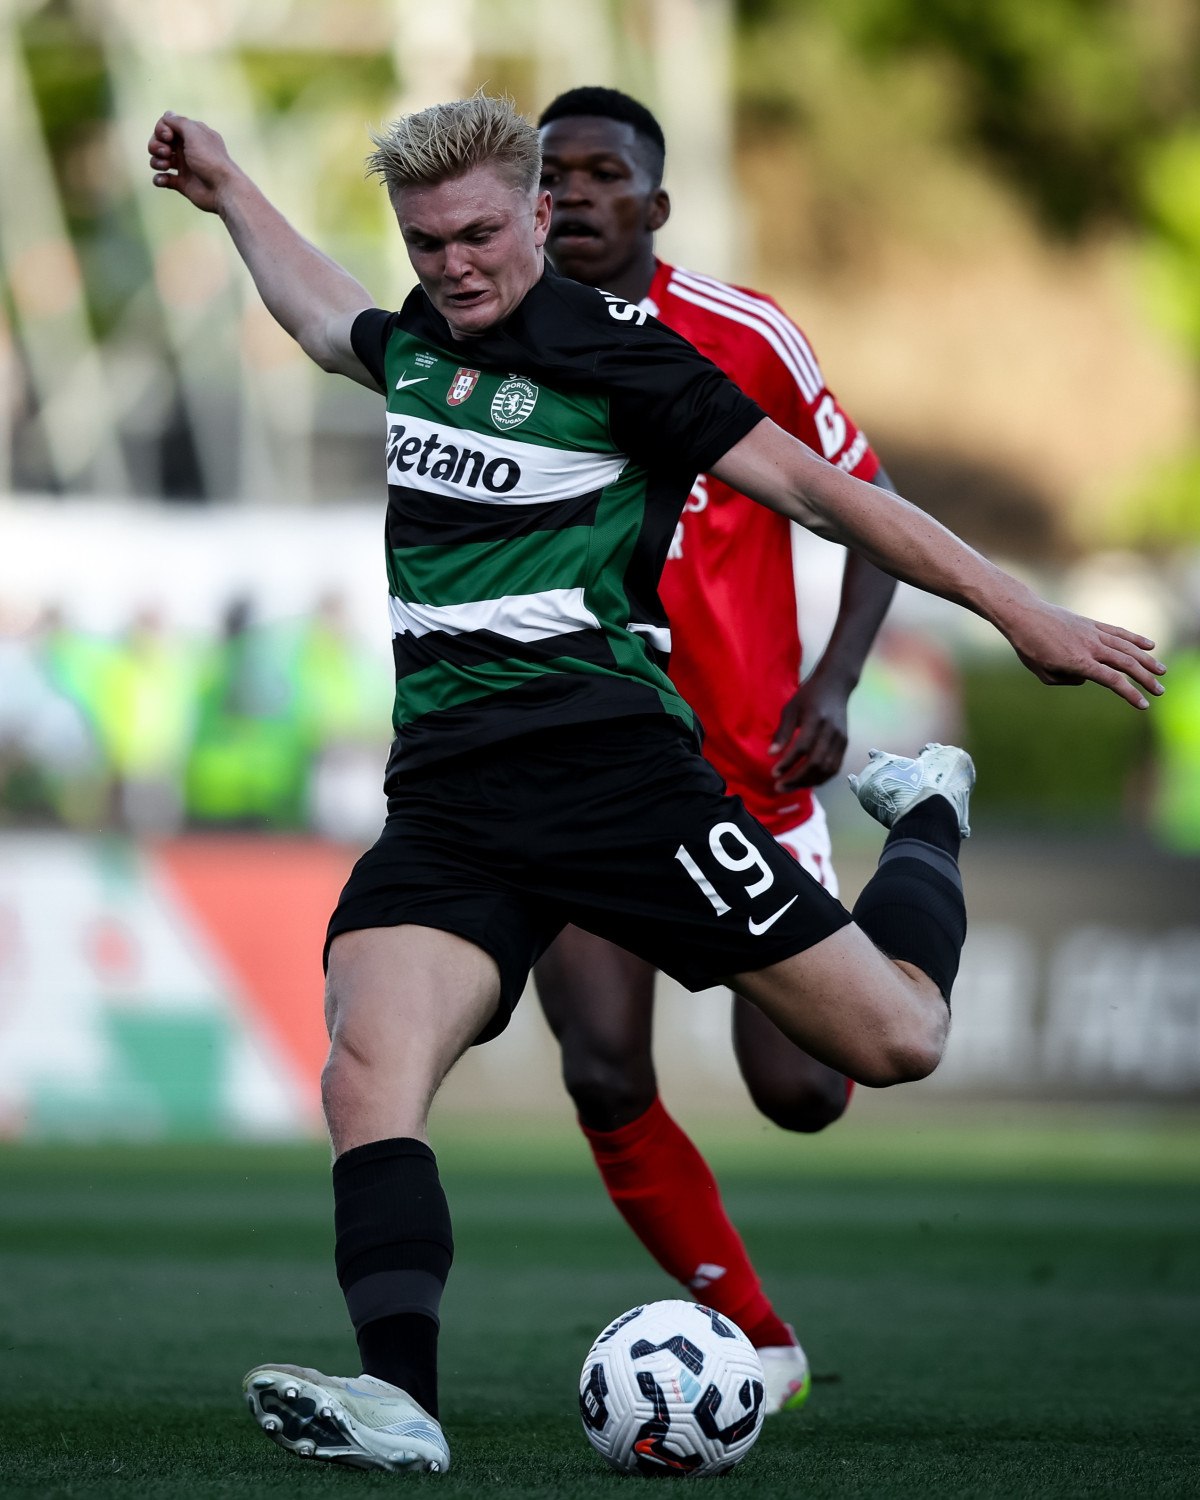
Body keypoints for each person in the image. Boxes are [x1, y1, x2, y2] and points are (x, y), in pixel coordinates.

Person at [147, 94, 1163, 1475]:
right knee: (369, 1067)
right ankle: (401, 1400)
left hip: (616, 779)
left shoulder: (621, 356)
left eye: (480, 235)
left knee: (894, 1044)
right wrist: (228, 191)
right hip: (448, 800)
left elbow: (827, 493)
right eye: (427, 242)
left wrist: (1019, 609)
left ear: (538, 215)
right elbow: (328, 317)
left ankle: (928, 813)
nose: (454, 265)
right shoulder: (422, 339)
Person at [533, 86, 896, 1412]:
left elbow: (872, 507)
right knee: (600, 1065)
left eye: (603, 171)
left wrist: (835, 683)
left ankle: (925, 854)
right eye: (553, 173)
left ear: (658, 203)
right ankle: (755, 1333)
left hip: (748, 777)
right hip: (588, 774)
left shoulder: (743, 336)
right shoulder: (490, 343)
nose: (575, 192)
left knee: (804, 1093)